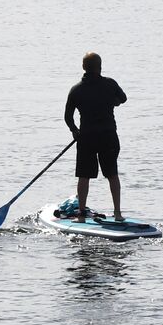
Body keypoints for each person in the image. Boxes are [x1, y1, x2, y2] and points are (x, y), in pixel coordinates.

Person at [64, 52, 127, 220]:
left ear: (84, 67)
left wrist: (74, 130)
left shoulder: (76, 90)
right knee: (112, 174)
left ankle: (81, 214)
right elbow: (123, 98)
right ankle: (118, 214)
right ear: (100, 67)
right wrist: (113, 102)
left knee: (84, 176)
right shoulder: (110, 84)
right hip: (108, 136)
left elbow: (67, 117)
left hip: (86, 137)